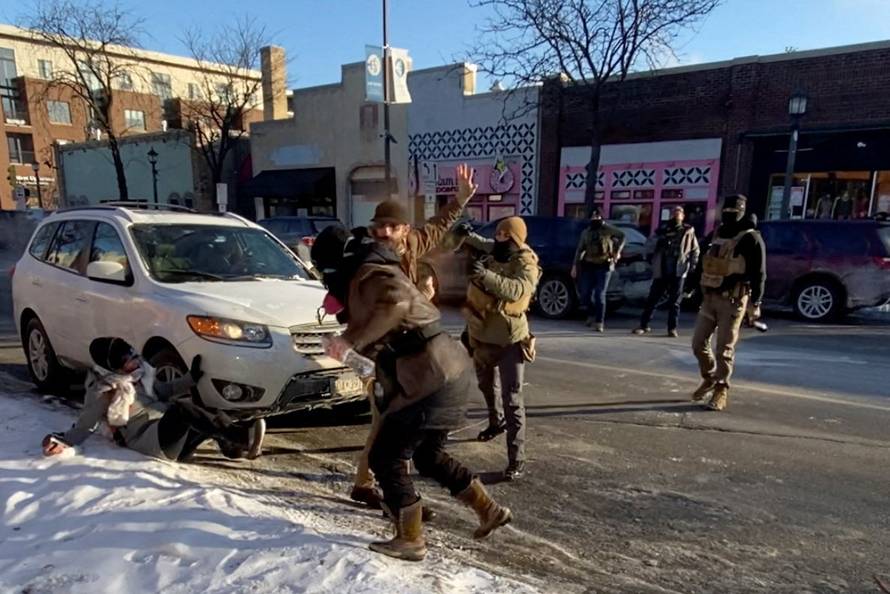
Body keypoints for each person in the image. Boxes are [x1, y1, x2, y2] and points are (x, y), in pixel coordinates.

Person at [311, 225, 512, 562]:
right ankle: (489, 509)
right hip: (448, 370)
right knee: (429, 456)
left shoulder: (368, 272)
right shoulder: (375, 268)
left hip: (430, 376)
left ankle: (410, 538)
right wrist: (350, 348)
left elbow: (398, 301)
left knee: (385, 457)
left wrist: (349, 341)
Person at [349, 163, 478, 511]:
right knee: (390, 424)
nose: (386, 233)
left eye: (393, 227)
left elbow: (439, 226)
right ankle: (391, 495)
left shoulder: (413, 244)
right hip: (383, 352)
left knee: (394, 425)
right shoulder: (365, 258)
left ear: (405, 230)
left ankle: (375, 487)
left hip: (409, 354)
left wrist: (460, 200)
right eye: (380, 227)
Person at [41, 337, 265, 461]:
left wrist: (191, 378)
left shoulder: (139, 376)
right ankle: (241, 436)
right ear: (113, 367)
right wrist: (63, 441)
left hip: (171, 434)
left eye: (132, 354)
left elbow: (164, 391)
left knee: (199, 407)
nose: (135, 361)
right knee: (183, 410)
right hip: (152, 441)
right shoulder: (102, 390)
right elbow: (85, 424)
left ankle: (234, 448)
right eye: (128, 360)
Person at [456, 217, 540, 480]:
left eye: (505, 235)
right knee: (485, 386)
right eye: (498, 233)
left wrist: (484, 275)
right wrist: (463, 231)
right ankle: (495, 422)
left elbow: (516, 290)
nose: (499, 237)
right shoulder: (497, 249)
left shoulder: (526, 264)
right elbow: (480, 241)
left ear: (515, 239)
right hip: (481, 336)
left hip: (510, 340)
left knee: (513, 398)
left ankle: (517, 459)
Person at [691, 195, 766, 411]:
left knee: (724, 348)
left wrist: (756, 302)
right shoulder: (717, 234)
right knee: (698, 344)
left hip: (733, 301)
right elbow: (702, 264)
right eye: (726, 212)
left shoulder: (751, 238)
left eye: (733, 212)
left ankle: (721, 390)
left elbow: (760, 273)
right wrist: (692, 289)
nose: (728, 216)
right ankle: (710, 377)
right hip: (709, 298)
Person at [633, 206, 700, 337]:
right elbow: (649, 246)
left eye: (679, 213)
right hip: (662, 270)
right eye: (674, 213)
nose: (676, 215)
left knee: (675, 302)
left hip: (678, 270)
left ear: (683, 216)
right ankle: (644, 325)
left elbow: (695, 250)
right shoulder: (662, 230)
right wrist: (660, 240)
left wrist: (692, 266)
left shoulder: (688, 231)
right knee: (653, 299)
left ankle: (672, 328)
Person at [571, 208, 626, 332]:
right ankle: (591, 314)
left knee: (599, 294)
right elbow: (580, 249)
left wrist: (617, 252)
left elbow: (622, 236)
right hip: (589, 265)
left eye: (597, 216)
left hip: (604, 265)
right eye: (593, 217)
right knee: (584, 294)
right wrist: (575, 265)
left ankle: (599, 321)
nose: (595, 219)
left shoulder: (607, 230)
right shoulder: (586, 232)